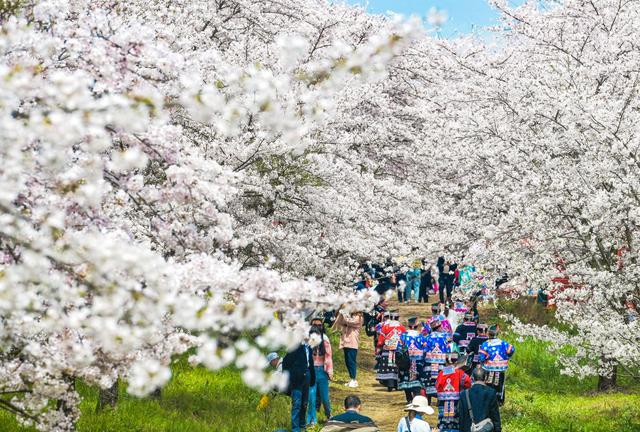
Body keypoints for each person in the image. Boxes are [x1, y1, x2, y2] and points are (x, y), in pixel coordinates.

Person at [282, 342, 316, 432]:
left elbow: (311, 363)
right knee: (297, 403)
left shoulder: (309, 347)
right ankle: (295, 429)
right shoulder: (294, 346)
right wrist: (290, 377)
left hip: (307, 376)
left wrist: (312, 378)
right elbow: (285, 363)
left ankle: (302, 426)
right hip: (296, 379)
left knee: (304, 403)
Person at [478, 325, 515, 405]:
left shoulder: (485, 344)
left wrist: (483, 361)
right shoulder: (503, 343)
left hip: (489, 369)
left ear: (488, 334)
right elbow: (511, 349)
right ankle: (499, 401)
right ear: (497, 334)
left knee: (489, 384)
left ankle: (488, 401)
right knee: (500, 384)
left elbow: (481, 358)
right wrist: (507, 356)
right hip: (501, 369)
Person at [435, 352, 472, 432]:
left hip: (443, 400)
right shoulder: (459, 372)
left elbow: (437, 385)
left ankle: (443, 428)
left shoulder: (441, 373)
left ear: (446, 361)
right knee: (455, 417)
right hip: (456, 399)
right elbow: (468, 382)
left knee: (443, 417)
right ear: (456, 361)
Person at [458, 367, 502, 432]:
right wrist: (498, 429)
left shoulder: (464, 394)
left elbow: (461, 417)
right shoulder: (491, 392)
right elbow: (495, 416)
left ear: (472, 378)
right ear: (486, 378)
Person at [307, 323, 334, 427]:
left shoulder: (325, 340)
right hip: (312, 371)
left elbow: (328, 357)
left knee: (324, 397)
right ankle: (312, 420)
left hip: (322, 371)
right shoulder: (308, 342)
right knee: (311, 397)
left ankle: (329, 415)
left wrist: (330, 372)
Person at [422, 319, 451, 405]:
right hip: (441, 364)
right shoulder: (445, 337)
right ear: (438, 328)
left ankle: (428, 401)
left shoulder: (427, 337)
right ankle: (439, 401)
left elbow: (424, 350)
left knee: (429, 381)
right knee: (441, 381)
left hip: (429, 364)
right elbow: (448, 350)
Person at [398, 317, 427, 403]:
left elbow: (398, 348)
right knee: (418, 379)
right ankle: (416, 396)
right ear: (417, 326)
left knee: (405, 378)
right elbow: (425, 348)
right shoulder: (420, 336)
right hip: (418, 362)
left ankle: (409, 397)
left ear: (408, 326)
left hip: (406, 361)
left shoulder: (403, 335)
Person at [376, 310, 406, 391]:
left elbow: (381, 339)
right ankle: (397, 384)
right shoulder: (401, 326)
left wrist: (379, 346)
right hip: (398, 350)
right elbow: (404, 338)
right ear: (397, 318)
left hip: (387, 349)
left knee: (389, 367)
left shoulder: (386, 326)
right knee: (397, 366)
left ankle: (390, 384)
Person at [334, 310, 364, 388]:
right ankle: (351, 378)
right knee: (347, 361)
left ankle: (354, 379)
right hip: (346, 342)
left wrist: (344, 313)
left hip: (352, 342)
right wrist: (340, 312)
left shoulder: (359, 318)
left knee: (351, 361)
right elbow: (339, 322)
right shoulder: (349, 316)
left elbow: (349, 322)